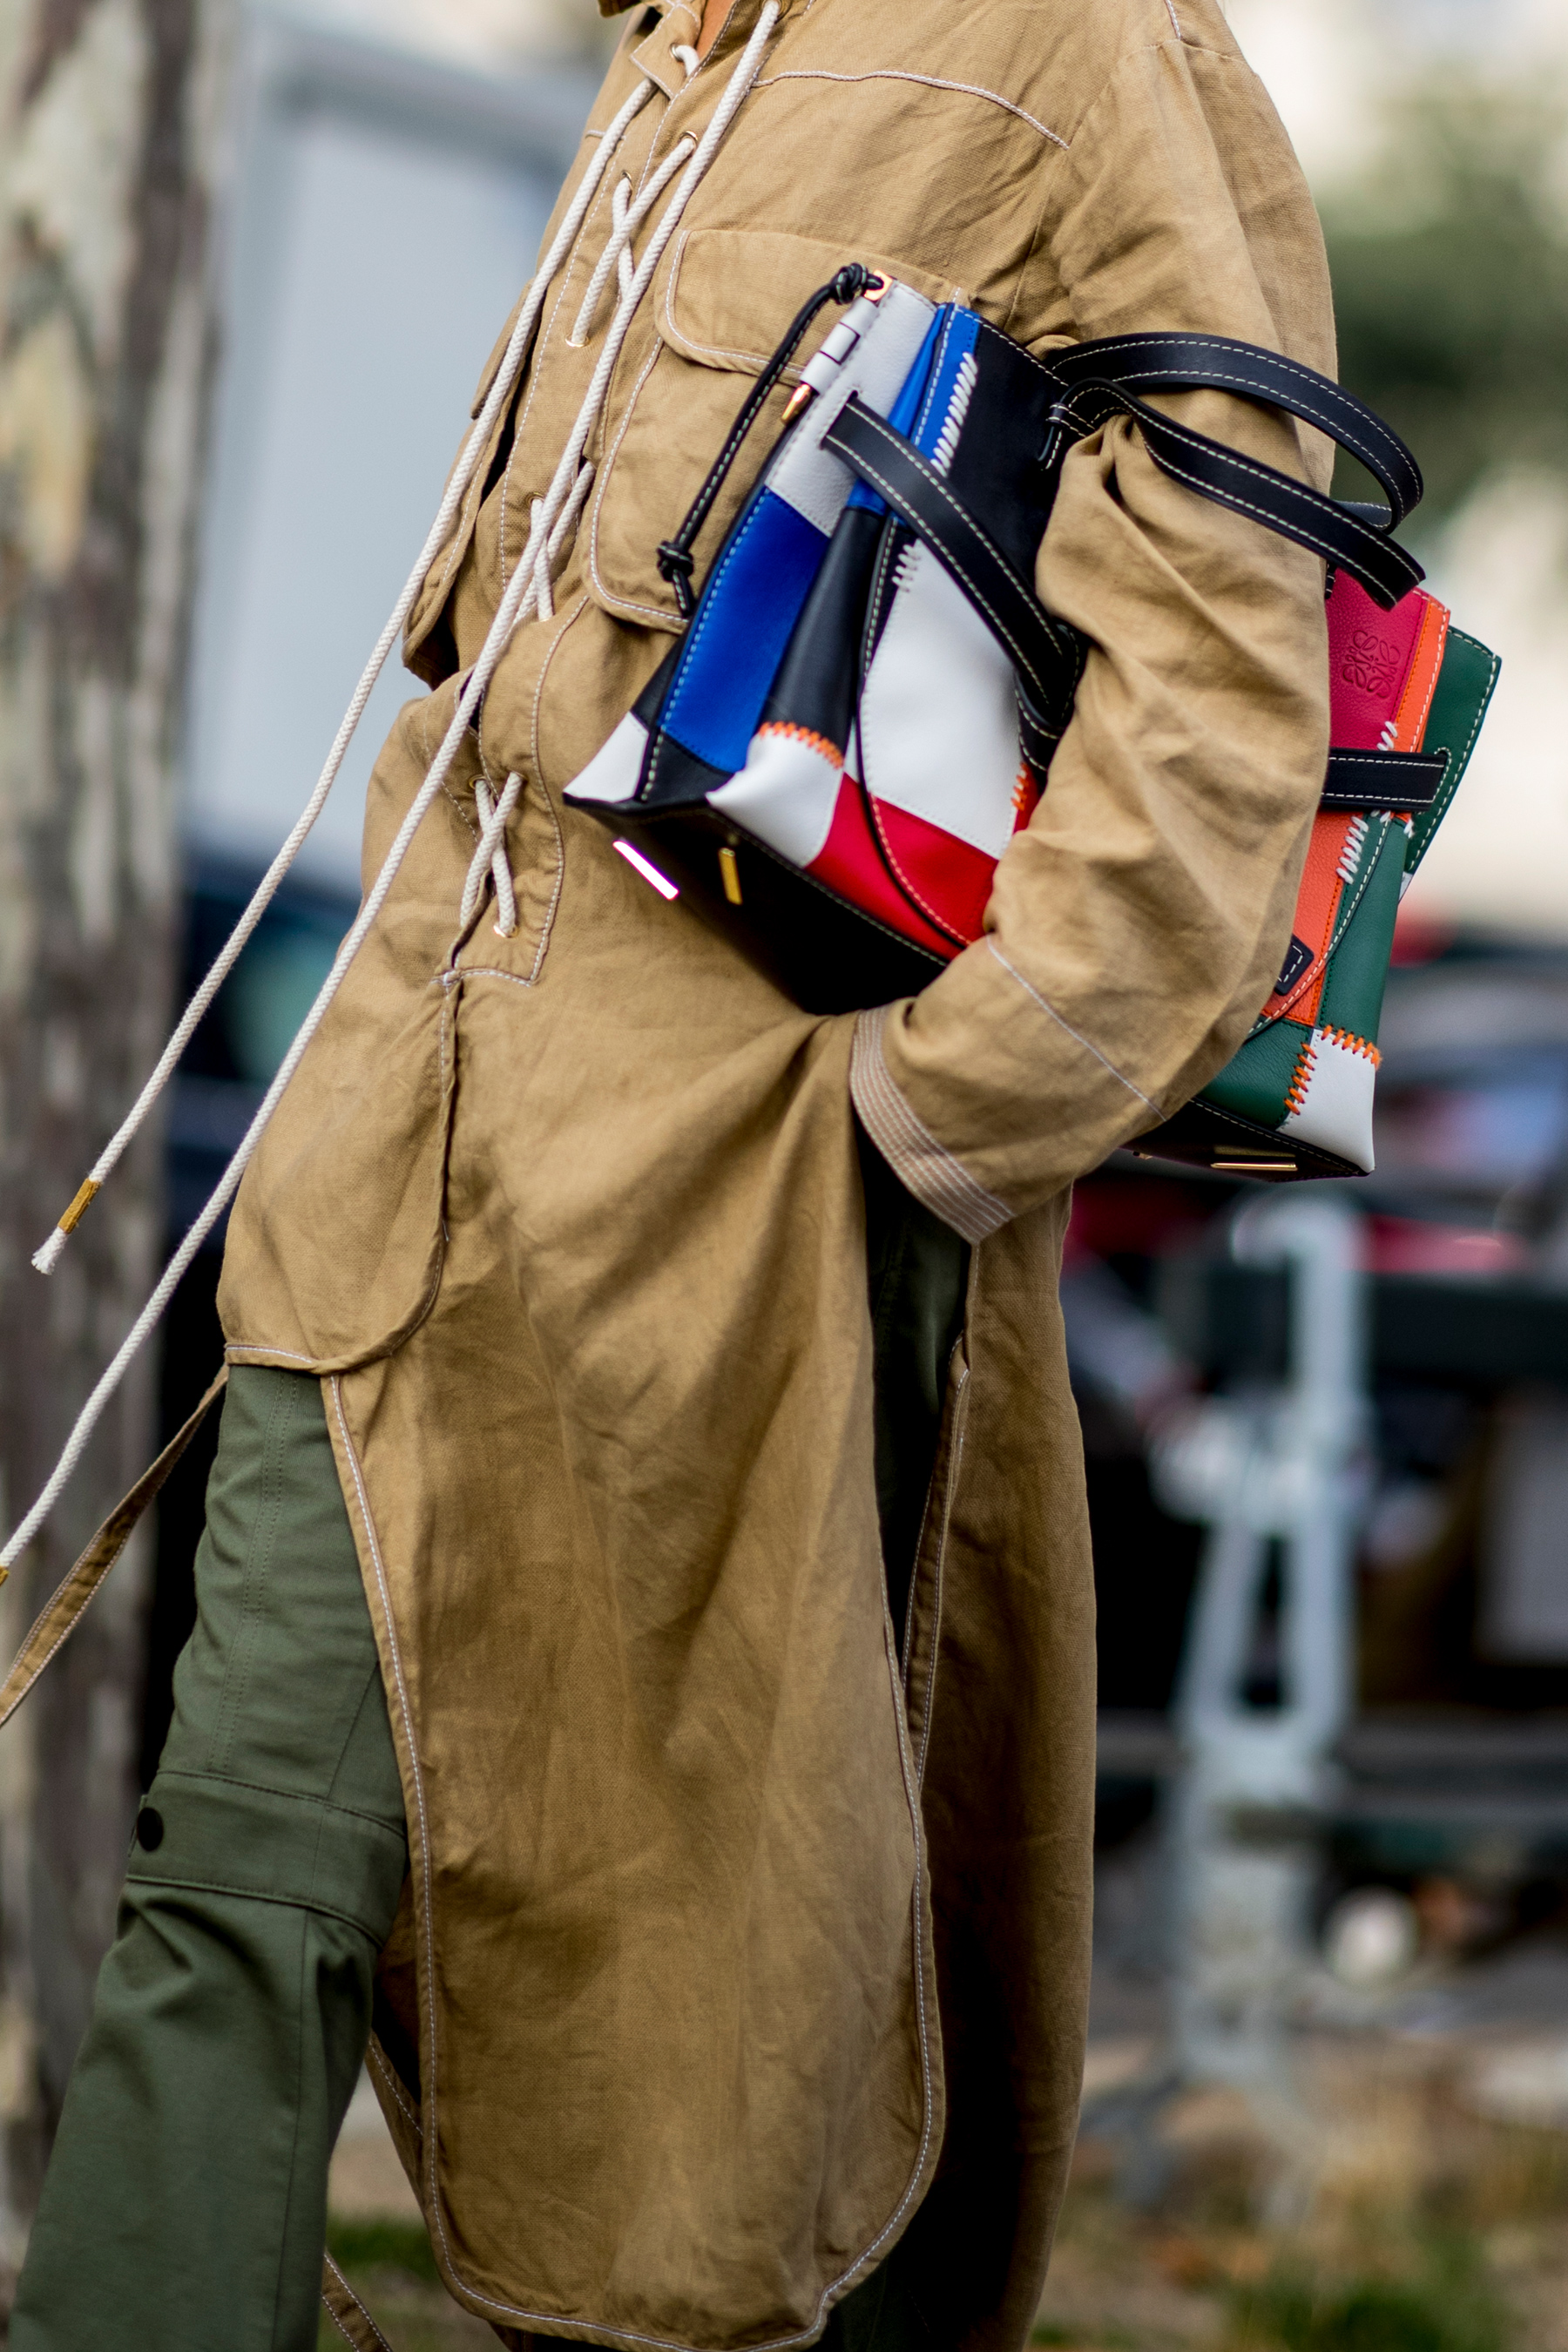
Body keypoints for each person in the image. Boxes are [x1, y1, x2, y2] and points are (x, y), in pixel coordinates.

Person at [12, 0, 1335, 2342]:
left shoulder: (1095, 42)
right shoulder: (680, 38)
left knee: (702, 2053)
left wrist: (943, 1111)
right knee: (235, 1883)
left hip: (741, 1227)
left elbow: (1232, 663)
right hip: (392, 1163)